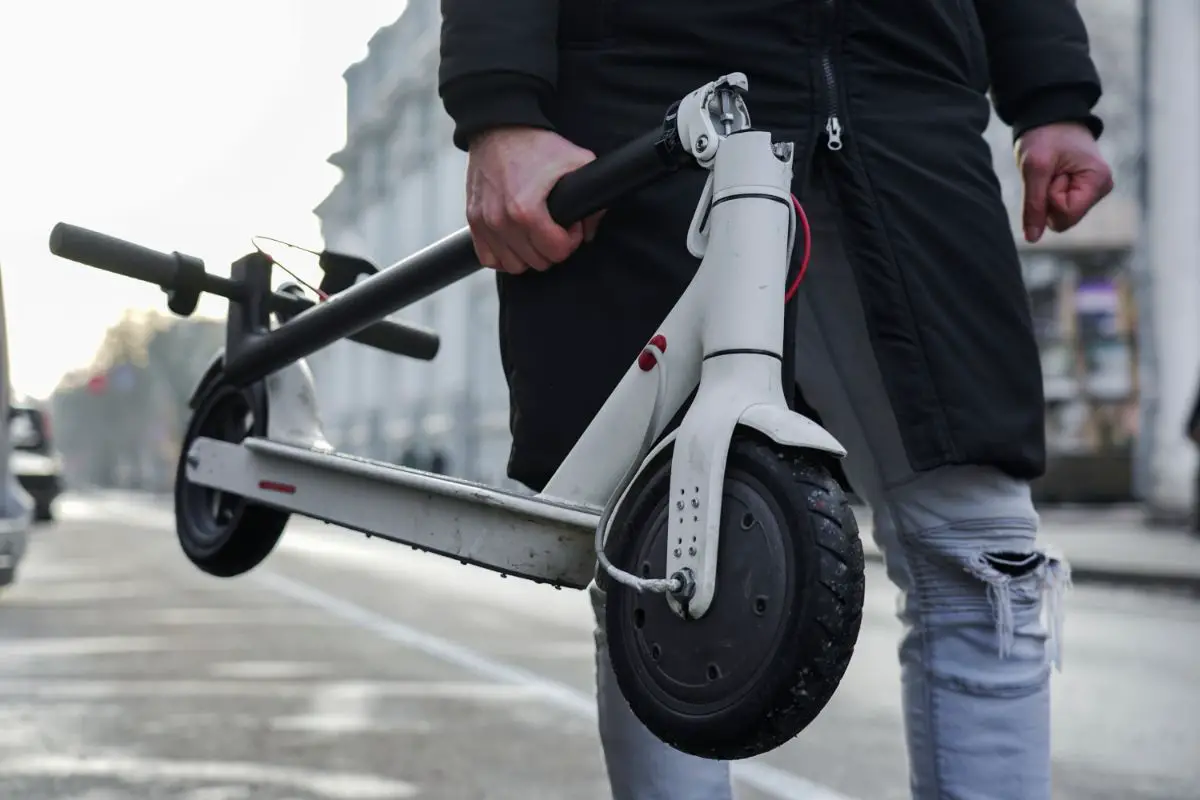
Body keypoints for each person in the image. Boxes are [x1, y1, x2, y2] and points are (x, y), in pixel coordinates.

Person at [438, 2, 1113, 798]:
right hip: (651, 75)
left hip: (905, 90)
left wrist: (1055, 96)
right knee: (674, 561)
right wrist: (499, 107)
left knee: (985, 556)